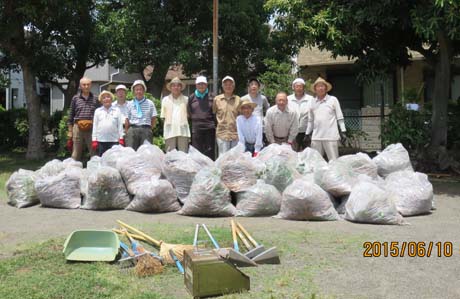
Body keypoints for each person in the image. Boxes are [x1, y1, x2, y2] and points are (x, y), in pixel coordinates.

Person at [306, 77, 346, 161]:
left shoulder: (333, 99)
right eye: (318, 86)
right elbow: (310, 120)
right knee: (316, 161)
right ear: (315, 89)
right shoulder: (312, 102)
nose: (320, 88)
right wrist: (307, 133)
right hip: (316, 137)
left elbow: (340, 117)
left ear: (326, 88)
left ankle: (335, 174)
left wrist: (343, 131)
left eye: (322, 86)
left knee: (333, 160)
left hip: (330, 136)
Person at [67, 77, 99, 161]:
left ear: (91, 85)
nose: (86, 86)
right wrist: (70, 131)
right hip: (77, 127)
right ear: (80, 86)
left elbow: (99, 114)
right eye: (84, 84)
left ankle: (95, 170)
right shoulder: (75, 98)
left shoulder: (96, 98)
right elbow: (71, 115)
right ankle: (73, 170)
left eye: (88, 84)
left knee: (93, 151)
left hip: (91, 127)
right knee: (76, 152)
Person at [188, 76, 216, 160]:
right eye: (199, 84)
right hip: (196, 129)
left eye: (203, 84)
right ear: (196, 85)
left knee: (209, 152)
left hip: (210, 128)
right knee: (197, 152)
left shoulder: (213, 97)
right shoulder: (191, 97)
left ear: (206, 85)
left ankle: (210, 171)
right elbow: (189, 112)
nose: (201, 86)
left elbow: (215, 112)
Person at [125, 80, 157, 150]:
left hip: (146, 129)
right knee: (130, 151)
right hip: (133, 129)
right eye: (136, 90)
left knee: (146, 152)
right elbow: (127, 119)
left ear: (144, 91)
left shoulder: (150, 103)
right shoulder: (129, 104)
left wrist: (149, 129)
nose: (138, 91)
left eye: (140, 89)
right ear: (133, 91)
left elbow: (154, 118)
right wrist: (127, 131)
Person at [213, 76, 241, 157]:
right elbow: (214, 114)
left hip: (235, 134)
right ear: (222, 86)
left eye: (230, 84)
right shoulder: (217, 99)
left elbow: (240, 116)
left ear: (234, 86)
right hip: (222, 134)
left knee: (234, 158)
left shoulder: (238, 99)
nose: (228, 86)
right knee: (223, 158)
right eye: (226, 84)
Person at [160, 77, 190, 152]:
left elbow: (189, 115)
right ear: (170, 88)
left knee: (183, 155)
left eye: (178, 85)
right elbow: (163, 117)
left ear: (181, 87)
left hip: (183, 131)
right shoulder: (165, 100)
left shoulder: (186, 99)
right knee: (170, 157)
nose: (176, 87)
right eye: (173, 85)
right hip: (169, 131)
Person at [91, 91, 124, 156]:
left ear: (111, 99)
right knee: (102, 160)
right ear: (101, 101)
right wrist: (94, 139)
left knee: (114, 160)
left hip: (114, 140)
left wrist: (121, 138)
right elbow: (95, 126)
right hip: (101, 140)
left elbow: (120, 125)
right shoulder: (98, 111)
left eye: (108, 97)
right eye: (104, 98)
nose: (106, 99)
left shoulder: (117, 110)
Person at [288, 78, 313, 151]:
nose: (299, 88)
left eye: (301, 86)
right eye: (297, 86)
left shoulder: (310, 99)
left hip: (306, 131)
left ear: (303, 88)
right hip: (292, 131)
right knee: (293, 153)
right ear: (293, 88)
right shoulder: (288, 99)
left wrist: (309, 132)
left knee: (306, 153)